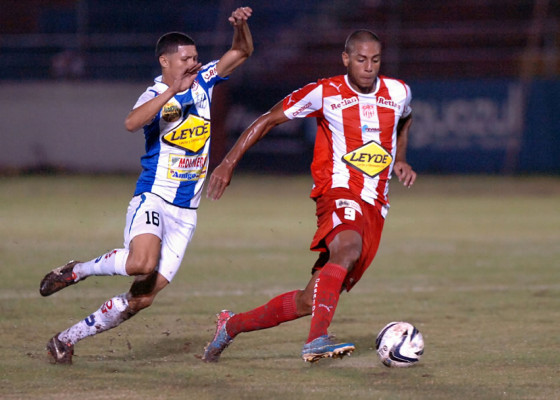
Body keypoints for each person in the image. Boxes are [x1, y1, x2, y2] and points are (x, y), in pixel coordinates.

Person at [39, 7, 254, 365]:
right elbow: (131, 122)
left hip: (186, 213)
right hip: (153, 197)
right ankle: (79, 270)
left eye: (195, 57)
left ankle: (65, 339)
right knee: (142, 262)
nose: (192, 63)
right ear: (165, 61)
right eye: (185, 58)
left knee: (142, 298)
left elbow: (242, 52)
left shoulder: (205, 79)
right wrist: (172, 89)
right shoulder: (155, 93)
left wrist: (241, 27)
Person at [202, 29, 416, 363]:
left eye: (374, 60)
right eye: (360, 59)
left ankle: (231, 325)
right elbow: (267, 119)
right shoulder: (325, 92)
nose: (368, 67)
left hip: (376, 205)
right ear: (346, 59)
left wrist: (400, 158)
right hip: (337, 191)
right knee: (347, 248)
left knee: (309, 299)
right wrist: (227, 163)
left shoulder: (398, 91)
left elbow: (405, 119)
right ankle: (317, 339)